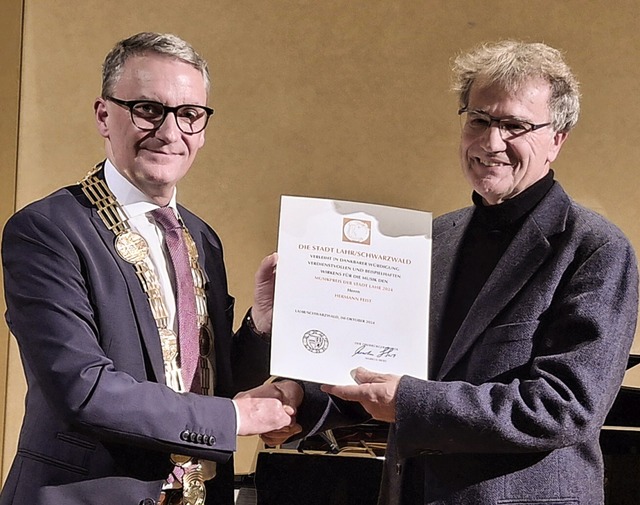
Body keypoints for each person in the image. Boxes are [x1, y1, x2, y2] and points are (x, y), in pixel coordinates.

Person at [240, 40, 640, 504]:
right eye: (479, 120)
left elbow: (564, 407)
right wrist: (302, 400)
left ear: (557, 138)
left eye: (515, 126)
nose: (492, 142)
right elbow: (382, 362)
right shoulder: (431, 239)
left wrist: (410, 402)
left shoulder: (595, 249)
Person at [0, 32, 294, 505]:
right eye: (148, 110)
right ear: (103, 115)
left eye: (190, 115)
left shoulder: (202, 238)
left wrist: (260, 327)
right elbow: (83, 388)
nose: (170, 132)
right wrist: (238, 421)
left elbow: (204, 385)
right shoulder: (47, 230)